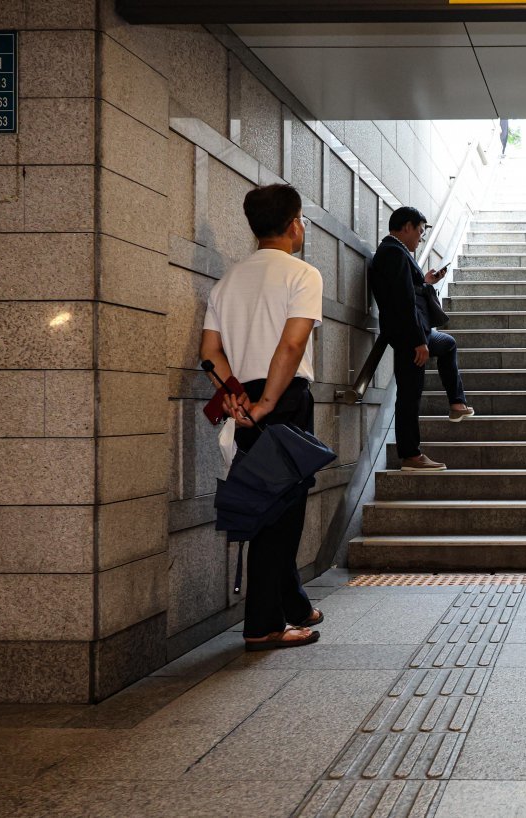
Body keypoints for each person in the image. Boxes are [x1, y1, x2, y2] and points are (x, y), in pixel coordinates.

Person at [199, 183, 323, 651]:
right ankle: (263, 626)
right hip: (282, 397)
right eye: (303, 220)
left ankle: (293, 605)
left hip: (242, 398)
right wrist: (269, 401)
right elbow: (292, 344)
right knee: (281, 513)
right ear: (294, 225)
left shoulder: (227, 281)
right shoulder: (302, 274)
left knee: (270, 502)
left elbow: (210, 352)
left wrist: (235, 398)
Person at [369, 206, 474, 471]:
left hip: (412, 332)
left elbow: (408, 291)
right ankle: (410, 455)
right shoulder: (393, 253)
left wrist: (426, 282)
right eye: (419, 231)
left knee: (447, 345)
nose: (420, 238)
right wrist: (419, 340)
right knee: (409, 395)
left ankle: (456, 403)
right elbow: (403, 301)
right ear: (406, 226)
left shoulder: (396, 252)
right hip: (408, 336)